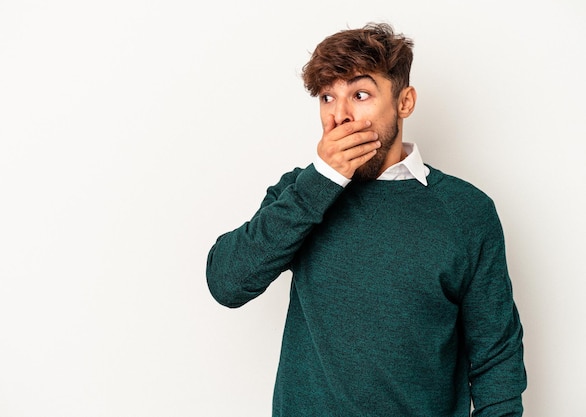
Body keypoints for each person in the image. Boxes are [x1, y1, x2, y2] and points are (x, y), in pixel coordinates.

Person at [206, 22, 527, 416]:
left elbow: (497, 358)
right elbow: (227, 282)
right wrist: (320, 182)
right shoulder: (301, 194)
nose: (339, 116)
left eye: (360, 94)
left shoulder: (465, 211)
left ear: (404, 103)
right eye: (327, 97)